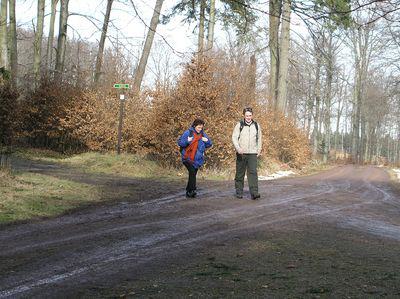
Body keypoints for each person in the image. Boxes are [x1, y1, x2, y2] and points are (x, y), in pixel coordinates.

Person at [232, 107, 262, 200]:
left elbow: (260, 138)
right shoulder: (239, 125)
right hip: (241, 153)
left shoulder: (256, 125)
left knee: (253, 172)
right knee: (240, 173)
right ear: (244, 116)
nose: (248, 117)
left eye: (250, 115)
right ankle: (239, 191)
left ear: (252, 115)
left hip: (253, 153)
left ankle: (254, 193)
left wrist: (259, 149)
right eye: (246, 115)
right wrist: (238, 148)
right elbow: (234, 138)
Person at [178, 118, 212, 198]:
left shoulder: (202, 134)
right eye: (199, 127)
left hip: (197, 159)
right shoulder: (188, 133)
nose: (200, 129)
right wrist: (187, 141)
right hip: (187, 157)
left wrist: (206, 140)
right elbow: (180, 143)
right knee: (192, 172)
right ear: (194, 126)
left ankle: (188, 191)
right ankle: (192, 190)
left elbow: (209, 144)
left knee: (193, 174)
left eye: (201, 128)